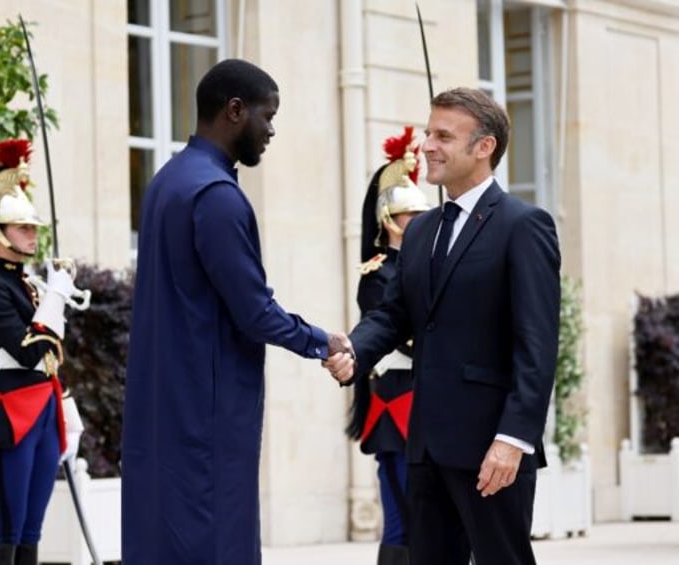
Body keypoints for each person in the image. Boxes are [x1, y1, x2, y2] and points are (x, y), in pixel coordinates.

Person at [121, 58, 351, 565]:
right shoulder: (217, 196)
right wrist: (322, 342)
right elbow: (254, 311)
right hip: (209, 413)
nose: (271, 130)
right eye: (267, 116)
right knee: (219, 546)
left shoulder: (166, 181)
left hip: (165, 408)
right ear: (235, 110)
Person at [327, 87, 561, 565]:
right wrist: (355, 349)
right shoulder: (421, 232)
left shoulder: (524, 225)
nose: (427, 145)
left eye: (443, 136)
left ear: (484, 147)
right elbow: (395, 314)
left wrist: (512, 440)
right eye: (428, 132)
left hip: (491, 451)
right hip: (426, 445)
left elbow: (537, 346)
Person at [0, 139, 85, 565]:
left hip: (43, 410)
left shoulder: (25, 285)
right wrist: (55, 297)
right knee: (7, 526)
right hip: (5, 413)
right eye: (23, 228)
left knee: (33, 527)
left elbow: (51, 353)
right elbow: (29, 350)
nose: (33, 235)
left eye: (34, 228)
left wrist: (64, 403)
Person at [348, 127, 430, 565]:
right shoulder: (378, 272)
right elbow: (397, 331)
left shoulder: (426, 265)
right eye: (409, 216)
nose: (418, 223)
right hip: (397, 392)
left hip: (429, 392)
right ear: (388, 220)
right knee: (402, 510)